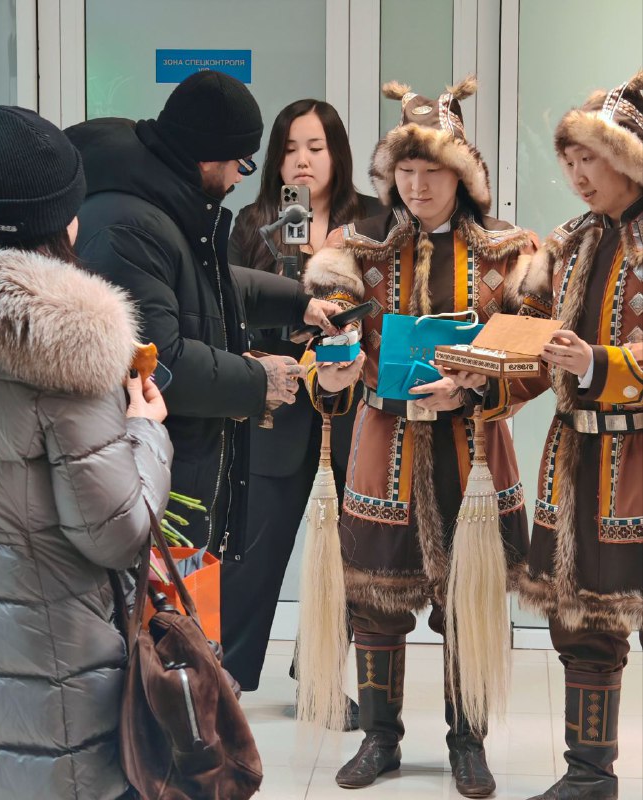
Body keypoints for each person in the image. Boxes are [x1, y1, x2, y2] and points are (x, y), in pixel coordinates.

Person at [301, 77, 539, 796]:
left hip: (473, 454)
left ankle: (468, 741)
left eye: (432, 170)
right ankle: (380, 738)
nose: (417, 185)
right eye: (405, 170)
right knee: (374, 602)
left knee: (470, 602)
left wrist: (474, 384)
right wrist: (331, 371)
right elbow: (325, 342)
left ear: (462, 174)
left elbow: (532, 356)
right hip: (385, 446)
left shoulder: (507, 253)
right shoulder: (358, 250)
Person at [0, 106, 173, 800]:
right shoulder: (64, 348)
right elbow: (114, 531)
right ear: (67, 221)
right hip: (54, 682)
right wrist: (146, 430)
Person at [66, 71, 340, 565]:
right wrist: (260, 381)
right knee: (167, 614)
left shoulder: (161, 204)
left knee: (194, 612)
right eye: (241, 162)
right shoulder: (129, 227)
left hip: (171, 477)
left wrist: (299, 302)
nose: (241, 177)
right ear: (209, 158)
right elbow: (160, 363)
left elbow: (208, 285)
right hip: (149, 492)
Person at [510, 70, 643, 800]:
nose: (577, 176)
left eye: (589, 158)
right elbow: (527, 340)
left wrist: (598, 362)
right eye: (568, 161)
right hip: (576, 459)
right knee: (582, 619)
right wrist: (476, 380)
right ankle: (589, 774)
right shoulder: (565, 242)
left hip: (639, 457)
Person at [221, 99, 382, 697]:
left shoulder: (373, 221)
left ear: (337, 153)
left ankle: (318, 678)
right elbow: (226, 308)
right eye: (290, 149)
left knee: (345, 557)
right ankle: (226, 676)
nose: (303, 161)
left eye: (315, 147)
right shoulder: (252, 222)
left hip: (355, 412)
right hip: (276, 409)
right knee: (253, 552)